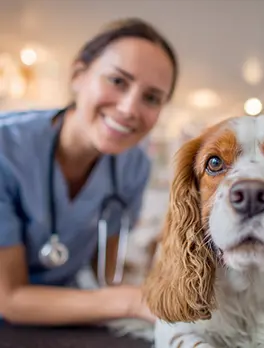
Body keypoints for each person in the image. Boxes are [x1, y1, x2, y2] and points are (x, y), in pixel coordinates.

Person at [0, 18, 178, 326]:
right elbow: (9, 298)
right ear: (78, 76)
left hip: (60, 317)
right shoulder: (7, 147)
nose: (129, 109)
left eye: (151, 98)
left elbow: (106, 275)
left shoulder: (134, 165)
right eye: (118, 81)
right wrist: (133, 300)